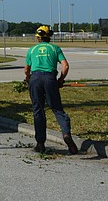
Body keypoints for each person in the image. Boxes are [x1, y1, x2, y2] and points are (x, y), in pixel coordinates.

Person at [24, 25, 79, 154]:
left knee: (38, 110)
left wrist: (28, 79)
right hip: (50, 79)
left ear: (38, 37)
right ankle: (66, 134)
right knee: (57, 109)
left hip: (35, 79)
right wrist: (60, 80)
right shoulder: (55, 48)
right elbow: (65, 66)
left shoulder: (31, 50)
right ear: (49, 36)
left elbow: (27, 69)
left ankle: (40, 143)